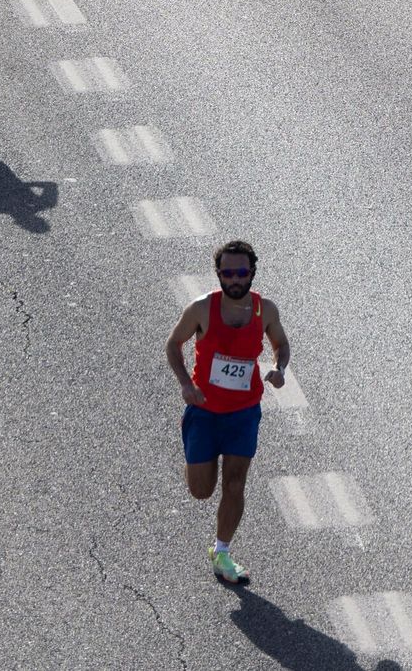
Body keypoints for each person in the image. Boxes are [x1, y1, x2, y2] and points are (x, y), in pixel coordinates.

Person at [165, 240, 290, 585]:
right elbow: (173, 343)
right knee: (201, 490)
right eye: (228, 273)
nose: (235, 279)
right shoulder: (202, 308)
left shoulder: (265, 311)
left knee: (235, 483)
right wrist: (185, 384)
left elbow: (281, 344)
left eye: (242, 272)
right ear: (219, 274)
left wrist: (279, 368)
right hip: (204, 412)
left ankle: (222, 552)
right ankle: (197, 462)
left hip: (243, 413)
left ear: (252, 273)